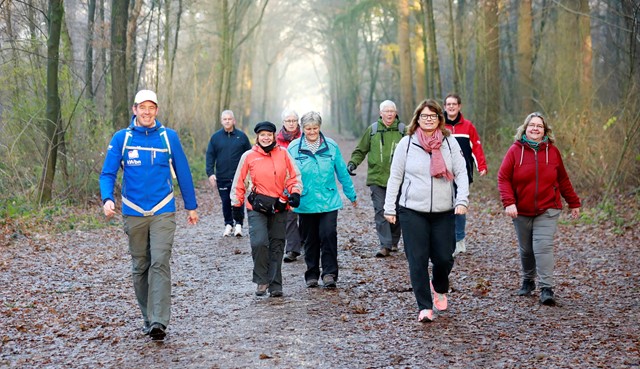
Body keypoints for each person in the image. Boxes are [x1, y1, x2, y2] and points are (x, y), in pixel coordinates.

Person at [100, 89, 199, 340]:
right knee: (141, 265)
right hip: (133, 211)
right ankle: (148, 316)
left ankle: (159, 321)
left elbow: (183, 172)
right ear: (134, 110)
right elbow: (108, 173)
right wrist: (108, 199)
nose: (146, 112)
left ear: (156, 110)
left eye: (151, 107)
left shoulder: (169, 137)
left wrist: (191, 205)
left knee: (160, 261)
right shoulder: (122, 138)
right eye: (142, 107)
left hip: (163, 209)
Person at [383, 99, 468, 323]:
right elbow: (395, 177)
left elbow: (461, 173)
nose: (428, 120)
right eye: (424, 116)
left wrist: (462, 200)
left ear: (440, 119)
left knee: (444, 258)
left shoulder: (450, 143)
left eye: (433, 116)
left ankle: (439, 287)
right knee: (417, 260)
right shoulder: (407, 144)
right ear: (417, 119)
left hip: (444, 211)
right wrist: (389, 207)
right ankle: (424, 307)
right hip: (412, 211)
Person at [497, 112, 581, 306]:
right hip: (521, 209)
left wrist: (573, 202)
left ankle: (546, 288)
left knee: (543, 246)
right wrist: (509, 202)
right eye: (532, 125)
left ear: (545, 131)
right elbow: (503, 178)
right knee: (527, 249)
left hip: (548, 207)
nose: (535, 128)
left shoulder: (552, 152)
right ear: (525, 129)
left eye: (539, 126)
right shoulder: (514, 151)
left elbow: (563, 179)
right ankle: (528, 280)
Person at [230, 121, 302, 297]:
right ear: (257, 137)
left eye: (269, 134)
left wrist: (295, 193)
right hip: (257, 206)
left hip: (280, 205)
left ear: (273, 136)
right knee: (259, 242)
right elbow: (239, 181)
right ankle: (262, 279)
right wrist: (236, 203)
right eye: (262, 135)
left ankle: (276, 284)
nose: (266, 137)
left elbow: (294, 177)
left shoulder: (284, 154)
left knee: (277, 244)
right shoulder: (248, 156)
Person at [288, 111, 357, 289]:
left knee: (328, 235)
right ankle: (311, 274)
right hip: (305, 201)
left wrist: (351, 195)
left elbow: (342, 172)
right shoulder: (294, 148)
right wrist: (286, 195)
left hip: (328, 200)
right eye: (308, 128)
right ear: (302, 129)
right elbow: (286, 174)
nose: (311, 132)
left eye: (315, 128)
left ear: (320, 127)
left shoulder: (331, 146)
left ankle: (329, 274)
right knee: (310, 240)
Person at [347, 100, 404, 258]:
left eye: (392, 111)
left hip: (399, 179)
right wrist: (353, 163)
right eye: (386, 111)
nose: (389, 114)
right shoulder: (372, 130)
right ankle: (384, 245)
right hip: (376, 178)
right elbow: (361, 150)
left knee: (398, 211)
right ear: (381, 113)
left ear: (396, 112)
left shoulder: (403, 130)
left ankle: (393, 241)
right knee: (381, 210)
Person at [443, 94, 488, 257]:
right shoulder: (439, 126)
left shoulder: (468, 126)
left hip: (463, 174)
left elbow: (476, 147)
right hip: (442, 175)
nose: (451, 107)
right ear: (445, 107)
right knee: (444, 207)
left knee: (459, 206)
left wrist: (481, 165)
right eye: (448, 104)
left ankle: (459, 241)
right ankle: (445, 240)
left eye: (454, 104)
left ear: (459, 106)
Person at [206, 110, 252, 237]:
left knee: (238, 200)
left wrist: (250, 174)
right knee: (226, 201)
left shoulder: (242, 137)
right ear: (221, 121)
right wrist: (210, 173)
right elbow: (210, 156)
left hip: (239, 177)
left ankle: (238, 225)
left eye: (229, 119)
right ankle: (228, 224)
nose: (227, 121)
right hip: (222, 176)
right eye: (225, 119)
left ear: (234, 121)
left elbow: (250, 155)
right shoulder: (215, 138)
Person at [276, 109, 303, 263]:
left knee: (305, 214)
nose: (291, 123)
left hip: (305, 180)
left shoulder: (305, 136)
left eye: (294, 120)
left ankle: (304, 241)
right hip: (285, 181)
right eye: (288, 121)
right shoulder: (276, 140)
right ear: (283, 123)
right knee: (290, 215)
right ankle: (292, 249)